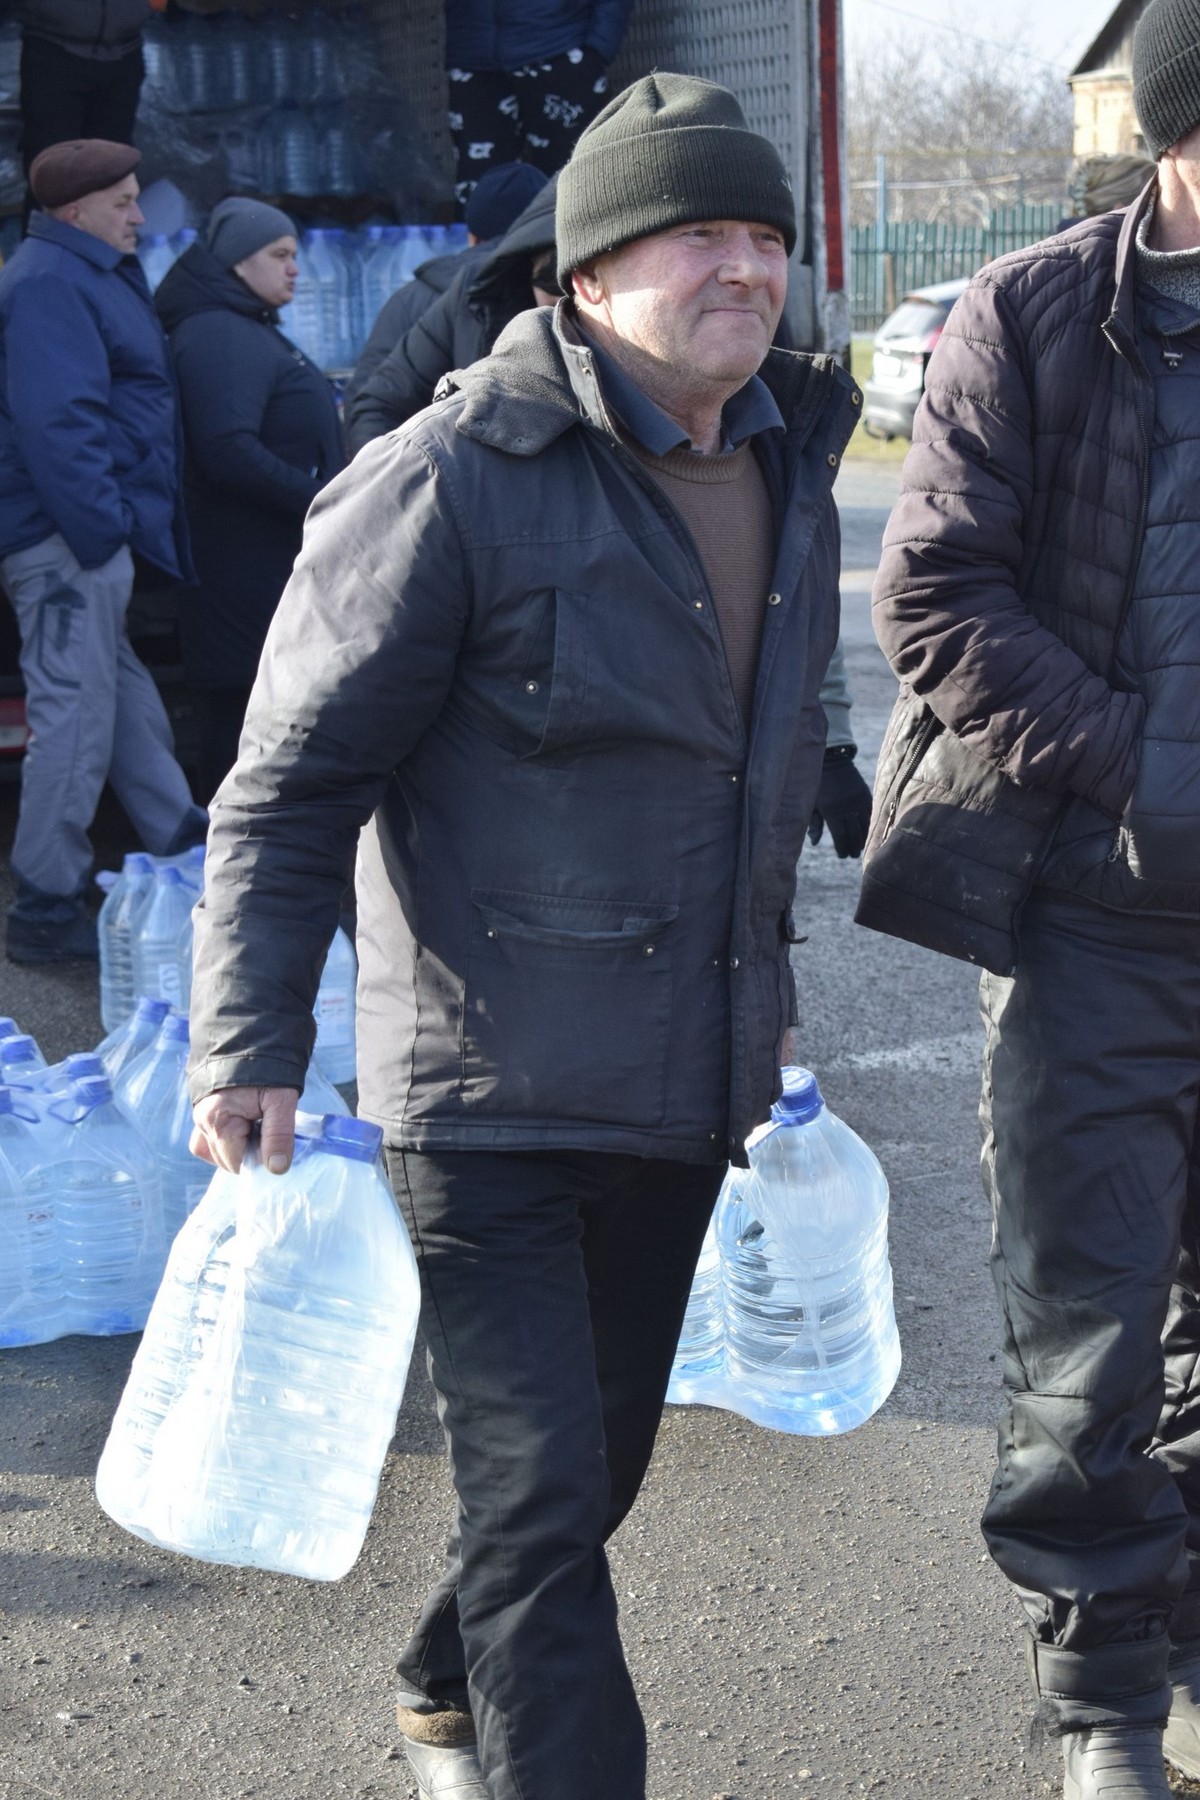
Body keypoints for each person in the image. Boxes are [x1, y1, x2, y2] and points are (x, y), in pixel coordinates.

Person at [187, 73, 862, 1800]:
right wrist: (249, 1040)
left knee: (593, 1473)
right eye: (702, 234)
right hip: (483, 1087)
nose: (750, 269)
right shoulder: (447, 481)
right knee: (548, 1496)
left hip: (688, 1074)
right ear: (584, 272)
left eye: (768, 238)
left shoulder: (790, 462)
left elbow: (769, 741)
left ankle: (436, 1673)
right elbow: (290, 782)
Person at [856, 1, 1200, 1793]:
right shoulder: (1038, 318)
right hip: (1099, 909)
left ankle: (1186, 1628)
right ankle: (1106, 1702)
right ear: (1175, 136)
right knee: (1089, 1314)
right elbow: (936, 596)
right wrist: (1148, 766)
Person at [0, 139, 204, 965]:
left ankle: (185, 850)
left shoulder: (77, 272)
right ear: (75, 210)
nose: (138, 213)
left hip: (83, 539)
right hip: (67, 543)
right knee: (77, 720)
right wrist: (99, 532)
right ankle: (45, 905)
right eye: (123, 201)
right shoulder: (49, 282)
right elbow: (60, 424)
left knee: (120, 704)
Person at [154, 198, 344, 804]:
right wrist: (324, 503)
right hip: (238, 569)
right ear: (238, 262)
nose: (295, 270)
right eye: (279, 255)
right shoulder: (216, 333)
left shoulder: (243, 325)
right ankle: (234, 864)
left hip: (260, 562)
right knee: (242, 719)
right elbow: (226, 450)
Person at [346, 173, 559, 452]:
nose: (563, 298)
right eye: (550, 279)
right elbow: (379, 404)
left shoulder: (438, 293)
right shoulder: (472, 297)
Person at [446, 0, 633, 208]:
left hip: (559, 47)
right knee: (480, 195)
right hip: (473, 56)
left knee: (576, 188)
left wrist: (599, 47)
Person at [15, 3, 151, 200]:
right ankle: (47, 230)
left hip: (125, 56)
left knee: (112, 170)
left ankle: (104, 230)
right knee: (52, 171)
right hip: (51, 51)